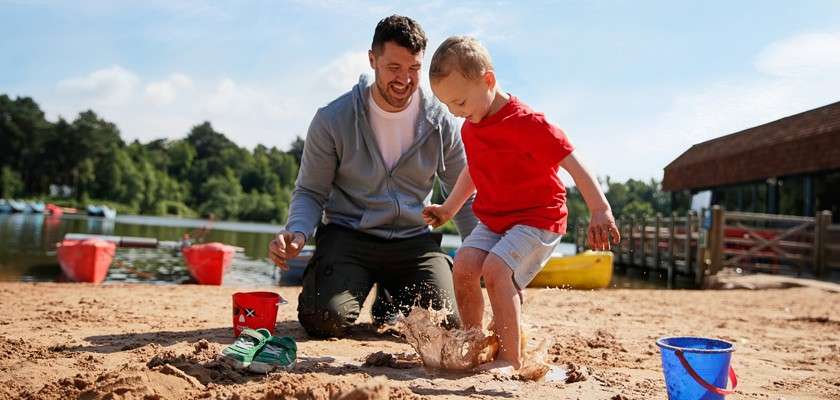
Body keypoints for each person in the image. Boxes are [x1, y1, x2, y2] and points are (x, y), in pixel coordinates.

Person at [268, 16, 477, 338]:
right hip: (349, 236)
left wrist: (480, 250)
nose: (404, 80)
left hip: (413, 241)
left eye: (414, 69)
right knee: (323, 320)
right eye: (394, 68)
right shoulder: (332, 119)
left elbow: (461, 196)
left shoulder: (440, 121)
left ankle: (391, 296)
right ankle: (356, 285)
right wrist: (297, 231)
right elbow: (311, 191)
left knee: (447, 326)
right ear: (372, 60)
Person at [423, 36, 620, 372]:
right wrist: (448, 209)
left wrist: (600, 208)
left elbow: (572, 161)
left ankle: (510, 358)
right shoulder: (472, 127)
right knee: (465, 267)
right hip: (495, 219)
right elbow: (474, 170)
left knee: (497, 271)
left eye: (460, 102)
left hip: (538, 218)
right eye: (449, 106)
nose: (457, 113)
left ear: (488, 80)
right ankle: (474, 344)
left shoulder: (528, 122)